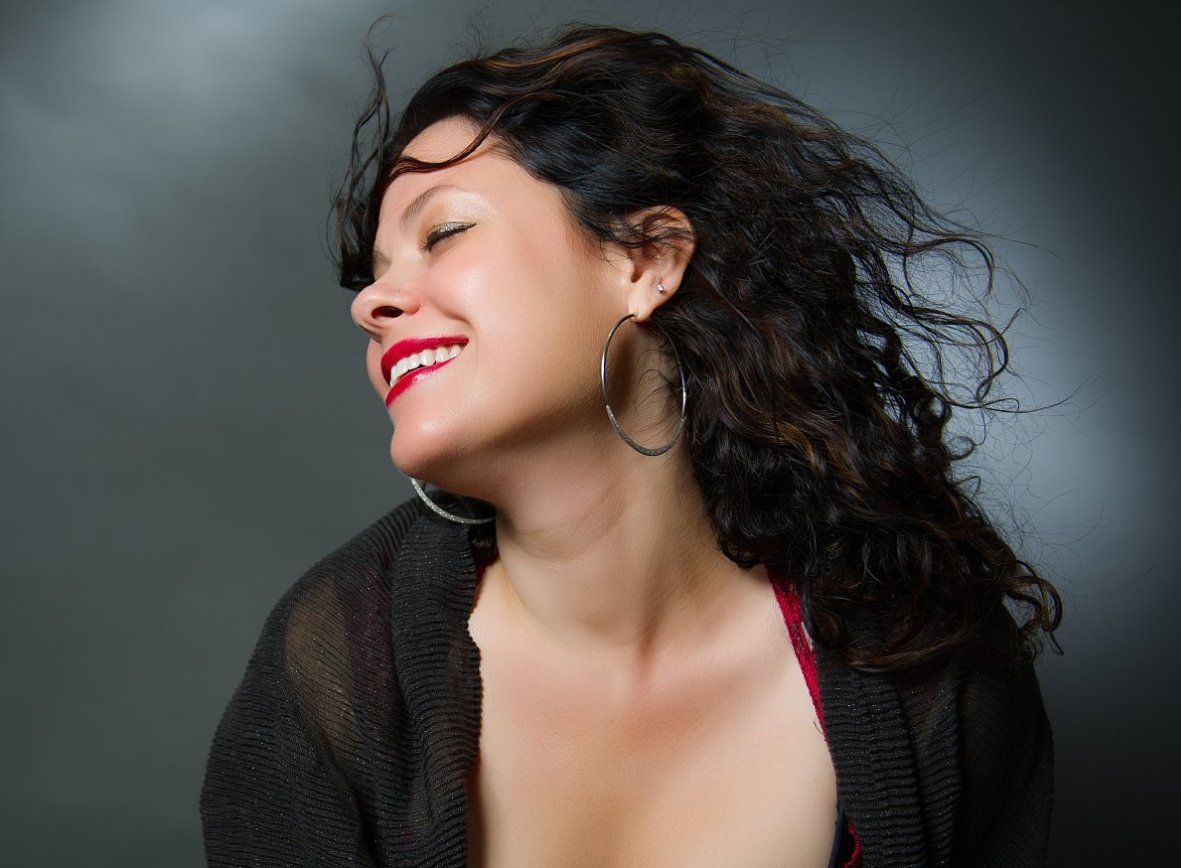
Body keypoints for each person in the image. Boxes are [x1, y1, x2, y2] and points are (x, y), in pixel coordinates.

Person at [201, 25, 1061, 868]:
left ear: (648, 259)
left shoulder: (921, 652)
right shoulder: (336, 673)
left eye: (444, 233)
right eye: (377, 273)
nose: (371, 304)